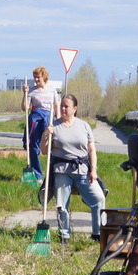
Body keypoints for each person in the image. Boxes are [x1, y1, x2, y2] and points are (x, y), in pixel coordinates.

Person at [42, 93, 104, 245]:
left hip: (82, 170)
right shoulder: (54, 126)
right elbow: (44, 151)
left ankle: (98, 233)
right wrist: (45, 134)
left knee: (99, 198)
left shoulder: (84, 126)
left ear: (74, 109)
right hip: (62, 171)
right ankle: (64, 235)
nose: (63, 108)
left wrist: (93, 169)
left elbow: (91, 150)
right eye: (62, 105)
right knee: (62, 204)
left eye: (66, 106)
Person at [22, 65, 59, 182]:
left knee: (52, 146)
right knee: (33, 146)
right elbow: (25, 108)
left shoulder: (52, 90)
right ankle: (38, 175)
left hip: (48, 118)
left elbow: (56, 105)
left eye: (38, 77)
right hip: (35, 118)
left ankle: (54, 173)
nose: (36, 80)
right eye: (34, 77)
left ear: (44, 77)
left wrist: (57, 120)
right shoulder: (31, 91)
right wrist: (24, 93)